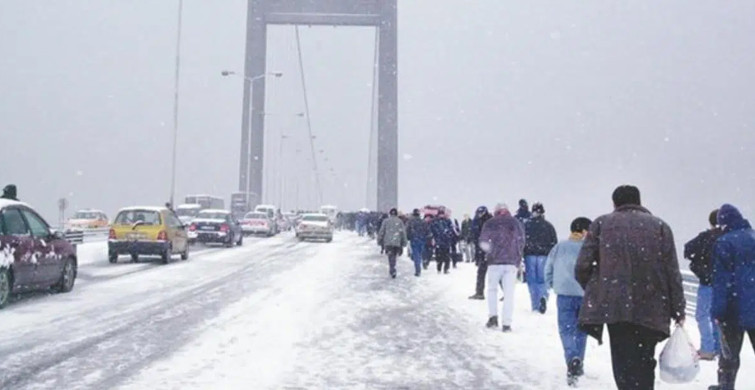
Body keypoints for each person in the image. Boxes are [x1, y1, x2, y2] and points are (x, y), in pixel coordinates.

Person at [576, 185, 685, 390]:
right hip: (652, 305)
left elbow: (582, 266)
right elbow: (672, 272)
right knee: (645, 360)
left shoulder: (601, 224)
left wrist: (600, 290)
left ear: (615, 203)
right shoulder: (660, 226)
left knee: (622, 360)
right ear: (639, 201)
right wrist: (678, 308)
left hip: (615, 306)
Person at [709, 204, 755, 390]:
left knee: (729, 356)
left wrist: (717, 311)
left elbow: (721, 281)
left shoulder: (724, 242)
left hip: (732, 310)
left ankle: (726, 386)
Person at [545, 217, 592, 387]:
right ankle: (579, 360)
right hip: (584, 295)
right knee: (581, 331)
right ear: (585, 231)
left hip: (564, 294)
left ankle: (572, 358)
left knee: (565, 329)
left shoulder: (559, 247)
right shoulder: (589, 248)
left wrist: (553, 284)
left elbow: (548, 268)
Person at [479, 203, 525, 332]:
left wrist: (490, 252)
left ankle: (493, 317)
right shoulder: (515, 223)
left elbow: (483, 241)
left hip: (494, 262)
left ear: (496, 211)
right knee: (509, 293)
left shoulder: (490, 223)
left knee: (492, 290)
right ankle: (507, 324)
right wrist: (517, 255)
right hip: (511, 262)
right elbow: (521, 241)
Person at [684, 209, 723, 361]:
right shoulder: (729, 238)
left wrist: (700, 262)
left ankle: (707, 348)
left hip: (707, 283)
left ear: (711, 222)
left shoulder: (706, 237)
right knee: (718, 317)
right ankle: (719, 348)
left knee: (702, 315)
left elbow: (688, 250)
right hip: (724, 286)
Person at [523, 202, 557, 313]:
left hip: (530, 255)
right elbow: (554, 242)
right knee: (543, 280)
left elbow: (522, 241)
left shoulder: (526, 225)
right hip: (544, 255)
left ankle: (535, 304)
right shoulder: (549, 226)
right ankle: (544, 297)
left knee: (532, 281)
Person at [468, 206, 492, 299]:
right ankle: (479, 292)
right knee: (482, 272)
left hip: (488, 250)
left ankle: (479, 292)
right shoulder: (477, 221)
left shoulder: (489, 221)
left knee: (494, 273)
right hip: (482, 250)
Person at [377, 208, 407, 279]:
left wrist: (379, 240)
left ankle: (392, 269)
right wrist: (404, 242)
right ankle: (393, 268)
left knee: (390, 256)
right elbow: (403, 233)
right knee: (394, 256)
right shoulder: (400, 222)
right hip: (397, 242)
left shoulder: (385, 221)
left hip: (388, 242)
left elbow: (382, 231)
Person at [430, 209, 456, 274]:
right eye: (440, 214)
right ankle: (439, 268)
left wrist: (448, 233)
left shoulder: (447, 221)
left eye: (442, 214)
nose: (441, 215)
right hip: (439, 242)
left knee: (447, 257)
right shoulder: (434, 221)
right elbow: (432, 230)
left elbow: (451, 229)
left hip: (446, 241)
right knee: (439, 257)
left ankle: (446, 269)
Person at [406, 208, 430, 277]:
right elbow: (427, 231)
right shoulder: (423, 221)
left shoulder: (410, 221)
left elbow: (407, 230)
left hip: (414, 240)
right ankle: (422, 262)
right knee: (420, 253)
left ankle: (418, 269)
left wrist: (408, 238)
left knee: (416, 255)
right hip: (422, 240)